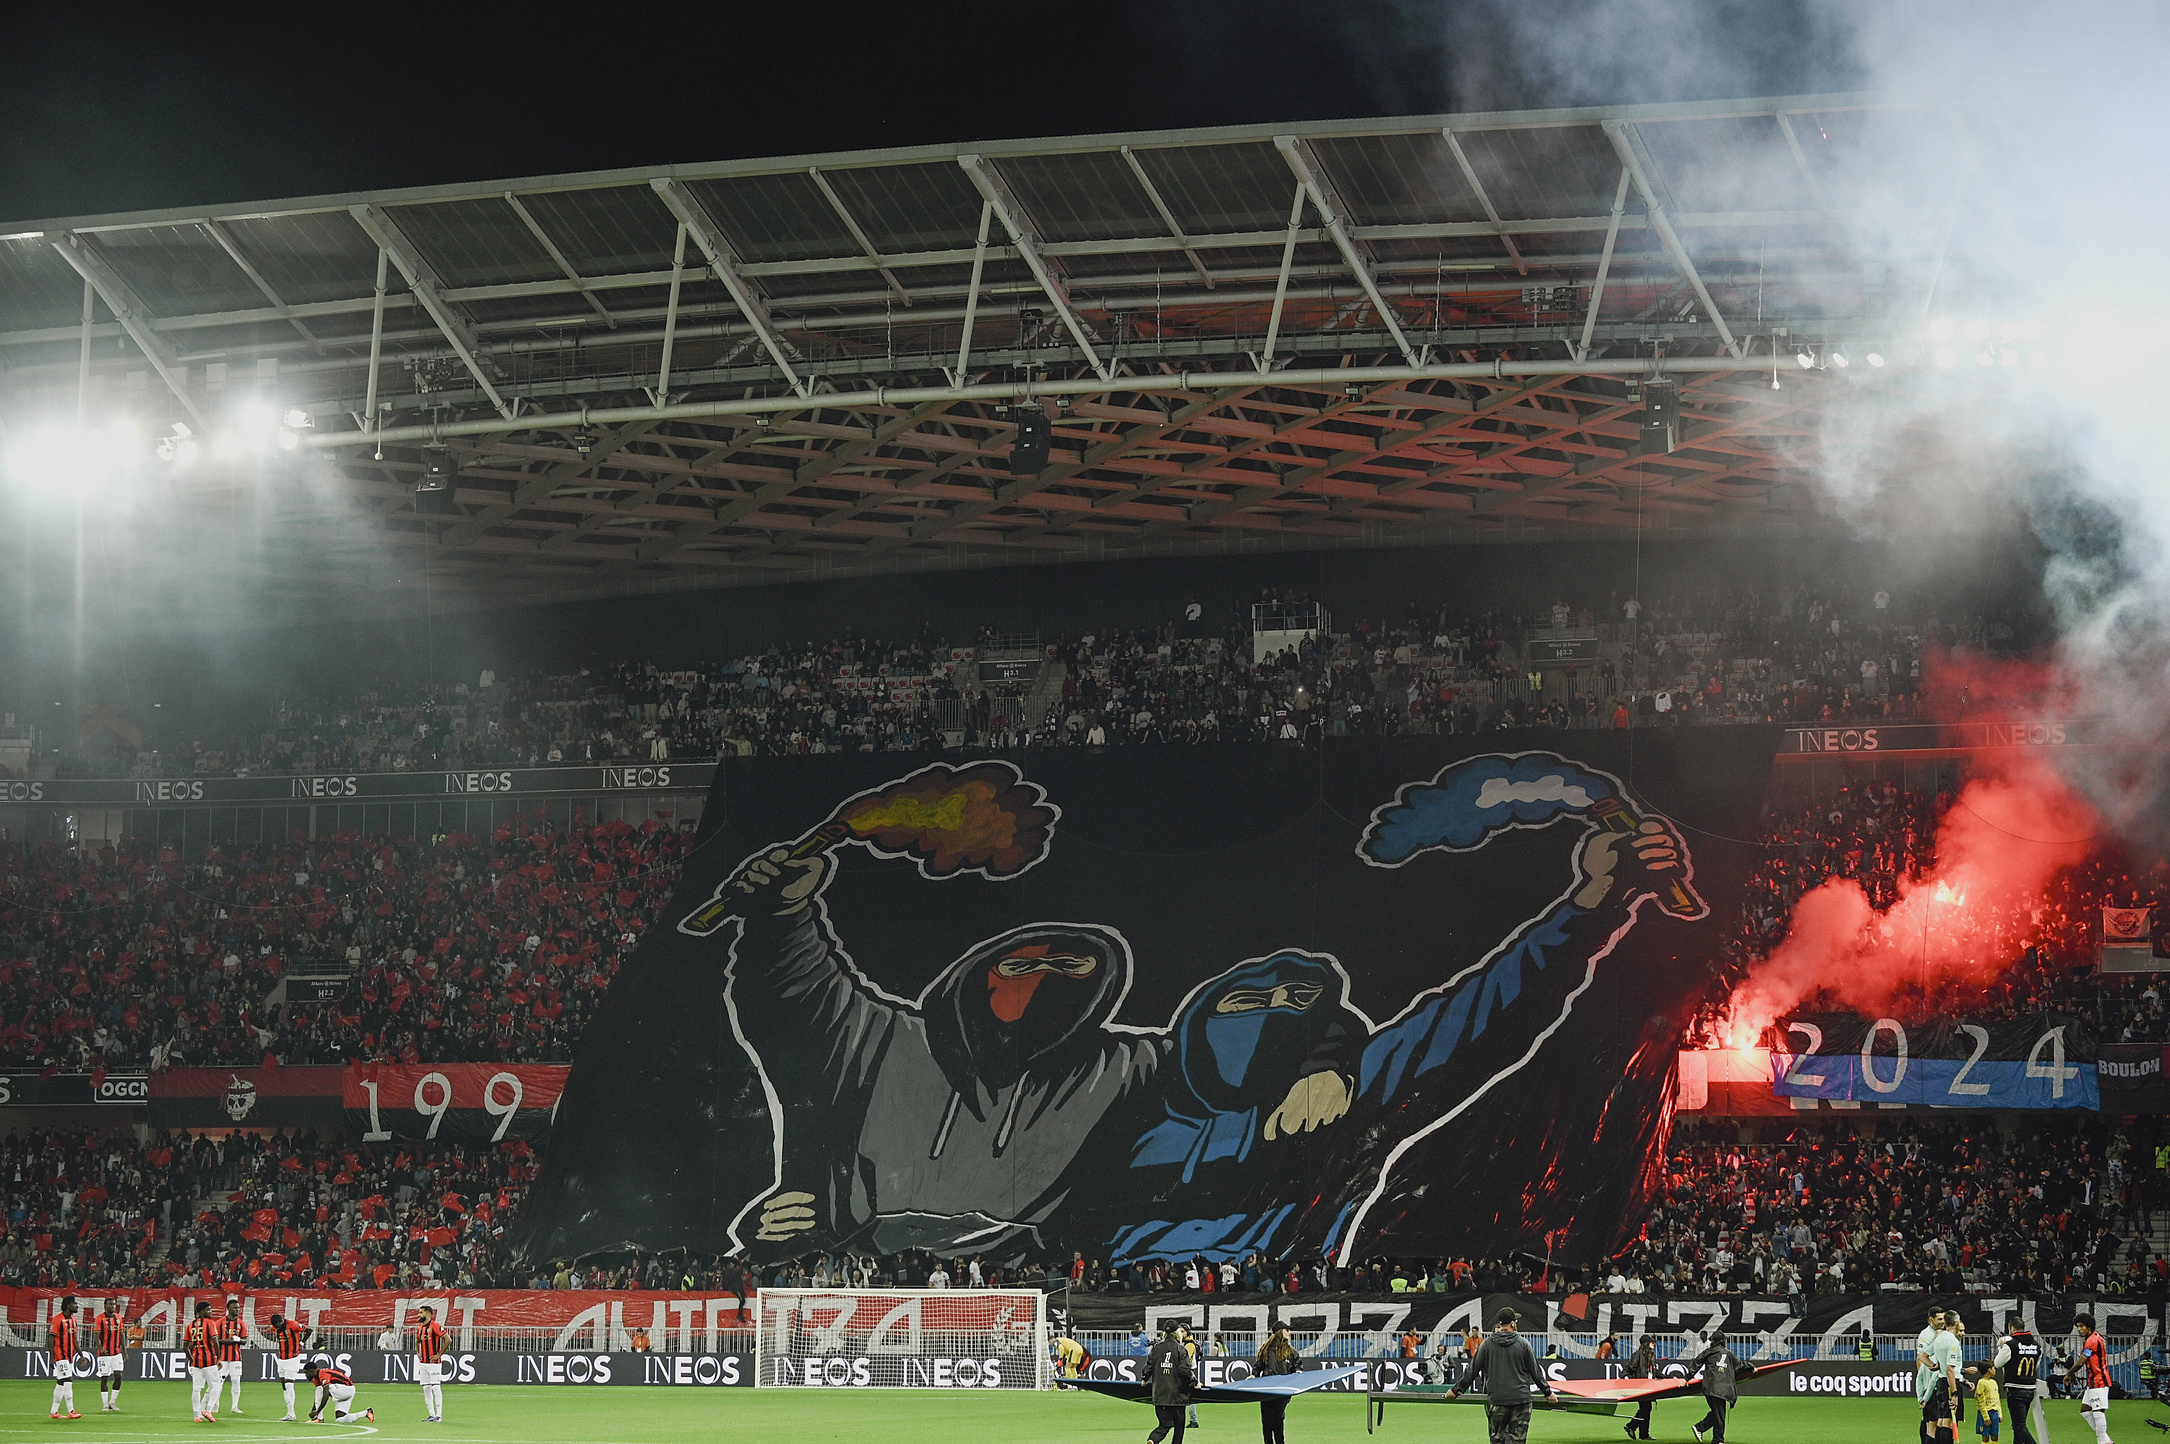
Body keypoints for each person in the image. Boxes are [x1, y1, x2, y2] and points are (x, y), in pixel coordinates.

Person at [1446, 1307, 1554, 1444]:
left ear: (1499, 1324)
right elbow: (1536, 1372)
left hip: (1497, 1400)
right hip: (1520, 1400)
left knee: (1497, 1440)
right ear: (1513, 1323)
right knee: (1518, 1441)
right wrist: (1548, 1392)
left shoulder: (1486, 1345)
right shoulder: (1523, 1344)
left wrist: (1455, 1390)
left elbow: (1472, 1370)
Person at [1994, 1323, 2044, 1444]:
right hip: (2030, 1389)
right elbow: (2036, 1366)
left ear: (2012, 1328)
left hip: (2015, 1389)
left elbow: (1997, 1363)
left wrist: (2001, 1348)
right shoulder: (2037, 1346)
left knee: (2019, 1426)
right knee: (2019, 1426)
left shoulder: (2010, 1345)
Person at [1146, 1322, 1196, 1444]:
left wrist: (1144, 1378)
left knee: (1164, 1424)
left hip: (1160, 1394)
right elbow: (1184, 1370)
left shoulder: (1156, 1348)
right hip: (1177, 1396)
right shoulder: (1181, 1349)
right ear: (1177, 1333)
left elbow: (1148, 1367)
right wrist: (1194, 1381)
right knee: (1179, 1428)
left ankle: (1153, 1439)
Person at [1689, 1331, 1739, 1444]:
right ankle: (1717, 1439)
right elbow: (1739, 1365)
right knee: (1719, 1415)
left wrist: (1686, 1378)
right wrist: (1751, 1368)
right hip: (1721, 1389)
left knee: (1717, 1414)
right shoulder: (1728, 1354)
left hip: (1709, 1388)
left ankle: (1701, 1429)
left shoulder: (1708, 1352)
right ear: (1722, 1341)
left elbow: (1696, 1362)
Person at [1920, 1312, 1961, 1444]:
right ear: (1956, 1323)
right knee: (1949, 1423)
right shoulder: (1952, 1341)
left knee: (1942, 1421)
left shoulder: (1939, 1337)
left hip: (1941, 1381)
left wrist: (1934, 1366)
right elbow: (1950, 1369)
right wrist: (1955, 1393)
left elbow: (1922, 1356)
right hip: (1950, 1382)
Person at [2073, 1313, 2113, 1444]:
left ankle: (2103, 1441)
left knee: (2097, 1411)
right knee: (2085, 1410)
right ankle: (2105, 1440)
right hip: (2093, 1381)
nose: (2079, 1329)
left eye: (2081, 1326)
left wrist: (2068, 1374)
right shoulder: (2091, 1338)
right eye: (2078, 1326)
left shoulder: (2092, 1340)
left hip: (2099, 1380)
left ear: (2088, 1326)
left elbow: (2080, 1362)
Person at [1257, 1325, 1300, 1444]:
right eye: (1287, 1330)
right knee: (1266, 1420)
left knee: (1277, 1418)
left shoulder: (1291, 1351)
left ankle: (1280, 1442)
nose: (1289, 1333)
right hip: (1266, 1390)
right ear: (1279, 1332)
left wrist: (1297, 1373)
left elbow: (1297, 1366)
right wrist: (1254, 1375)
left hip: (1282, 1391)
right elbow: (1259, 1365)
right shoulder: (1267, 1349)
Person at [268, 1311, 312, 1422]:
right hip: (281, 1358)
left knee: (289, 1385)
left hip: (292, 1358)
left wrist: (302, 1343)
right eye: (275, 1327)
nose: (277, 1328)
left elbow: (309, 1330)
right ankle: (289, 1413)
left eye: (278, 1326)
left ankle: (292, 1414)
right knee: (284, 1386)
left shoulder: (292, 1324)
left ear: (281, 1321)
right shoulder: (275, 1328)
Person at [305, 1357, 375, 1425]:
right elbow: (318, 1398)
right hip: (344, 1391)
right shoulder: (316, 1379)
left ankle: (319, 1418)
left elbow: (325, 1395)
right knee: (340, 1419)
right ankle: (366, 1412)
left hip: (346, 1389)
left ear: (312, 1371)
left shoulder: (322, 1374)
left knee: (321, 1388)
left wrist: (317, 1411)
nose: (306, 1375)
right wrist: (313, 1411)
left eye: (307, 1373)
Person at [184, 1302, 221, 1423]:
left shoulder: (190, 1326)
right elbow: (215, 1341)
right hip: (209, 1361)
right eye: (208, 1310)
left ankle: (196, 1415)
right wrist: (219, 1358)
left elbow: (185, 1346)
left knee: (196, 1389)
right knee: (216, 1385)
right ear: (200, 1312)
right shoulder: (210, 1323)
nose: (211, 1312)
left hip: (196, 1362)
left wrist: (191, 1360)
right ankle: (208, 1410)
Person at [47, 1296, 81, 1421]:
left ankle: (54, 1411)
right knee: (68, 1380)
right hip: (60, 1355)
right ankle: (71, 1410)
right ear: (67, 1305)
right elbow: (51, 1338)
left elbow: (75, 1340)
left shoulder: (73, 1319)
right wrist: (52, 1357)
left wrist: (81, 1355)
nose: (76, 1306)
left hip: (69, 1356)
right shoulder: (57, 1319)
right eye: (74, 1303)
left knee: (61, 1382)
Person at [414, 1304, 448, 1423]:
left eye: (421, 1312)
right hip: (423, 1363)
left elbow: (448, 1339)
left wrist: (439, 1354)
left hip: (434, 1363)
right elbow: (417, 1341)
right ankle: (431, 1415)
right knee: (426, 1388)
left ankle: (439, 1415)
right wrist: (418, 1352)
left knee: (435, 1387)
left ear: (428, 1314)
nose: (419, 1315)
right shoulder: (420, 1328)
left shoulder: (435, 1326)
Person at [92, 1301, 127, 1414]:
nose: (113, 1306)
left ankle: (112, 1402)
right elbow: (96, 1336)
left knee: (119, 1376)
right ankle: (105, 1404)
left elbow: (121, 1334)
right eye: (110, 1304)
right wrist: (101, 1348)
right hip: (104, 1354)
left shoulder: (118, 1318)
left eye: (114, 1304)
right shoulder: (100, 1319)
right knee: (104, 1378)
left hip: (117, 1353)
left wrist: (124, 1351)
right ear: (105, 1306)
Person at [1623, 1336, 1657, 1441]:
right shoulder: (1637, 1355)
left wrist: (1667, 1378)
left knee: (1646, 1408)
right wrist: (1622, 1376)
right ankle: (1632, 1427)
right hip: (1640, 1386)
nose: (1654, 1344)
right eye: (1652, 1343)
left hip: (1647, 1386)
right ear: (1646, 1344)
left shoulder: (1649, 1355)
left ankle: (1643, 1433)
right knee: (1646, 1408)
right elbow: (1630, 1367)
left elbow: (1654, 1371)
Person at [219, 1295, 246, 1415]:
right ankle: (215, 1405)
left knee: (236, 1381)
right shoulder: (220, 1323)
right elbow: (214, 1340)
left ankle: (234, 1406)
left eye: (238, 1308)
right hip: (222, 1358)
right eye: (235, 1308)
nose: (237, 1310)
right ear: (228, 1308)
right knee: (219, 1381)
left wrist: (237, 1339)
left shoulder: (241, 1323)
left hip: (236, 1358)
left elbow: (245, 1341)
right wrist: (227, 1341)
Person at [1968, 1365, 2002, 1442]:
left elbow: (1997, 1399)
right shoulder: (1981, 1382)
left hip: (1995, 1413)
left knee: (1995, 1436)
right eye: (1994, 1368)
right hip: (1985, 1413)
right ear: (1989, 1370)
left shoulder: (1994, 1382)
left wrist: (2000, 1413)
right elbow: (1980, 1401)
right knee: (1985, 1436)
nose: (1995, 1370)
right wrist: (1985, 1417)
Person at [1182, 1326, 1203, 1429]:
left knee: (1188, 1396)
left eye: (1183, 1331)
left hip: (1188, 1371)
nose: (1181, 1333)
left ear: (1187, 1332)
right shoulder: (1187, 1343)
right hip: (1188, 1370)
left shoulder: (1189, 1344)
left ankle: (1193, 1420)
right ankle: (1193, 1420)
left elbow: (1185, 1359)